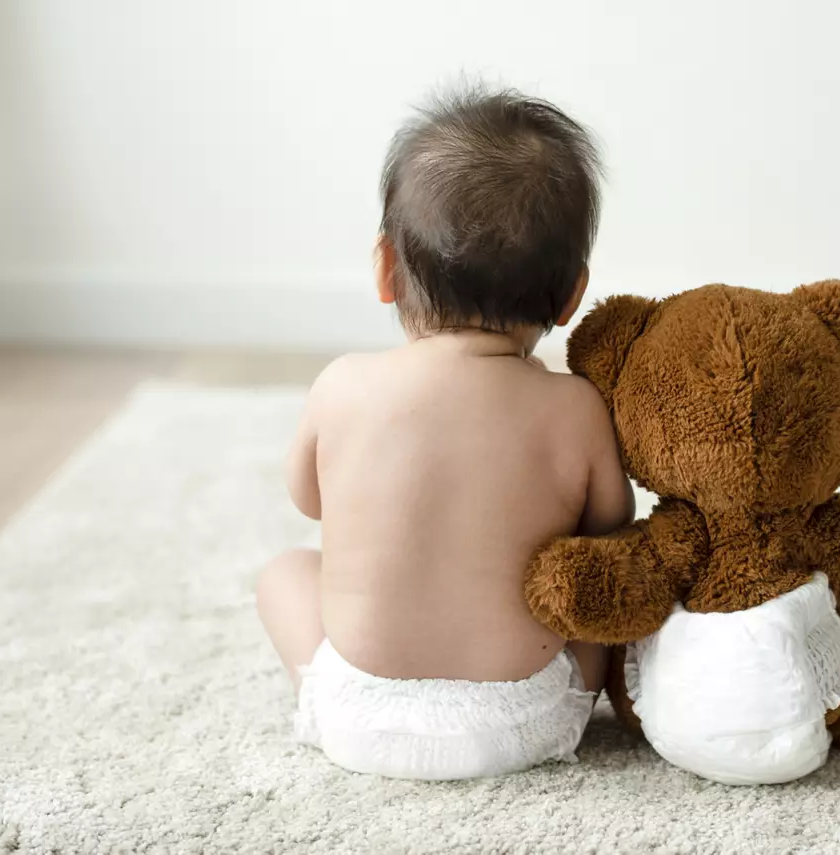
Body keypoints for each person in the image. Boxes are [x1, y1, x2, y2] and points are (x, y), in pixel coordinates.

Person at [255, 88, 634, 780]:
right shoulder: (574, 406)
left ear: (385, 268)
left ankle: (331, 695)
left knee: (287, 574)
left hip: (360, 718)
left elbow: (309, 499)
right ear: (571, 296)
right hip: (524, 719)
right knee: (602, 596)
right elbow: (611, 527)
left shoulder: (343, 384)